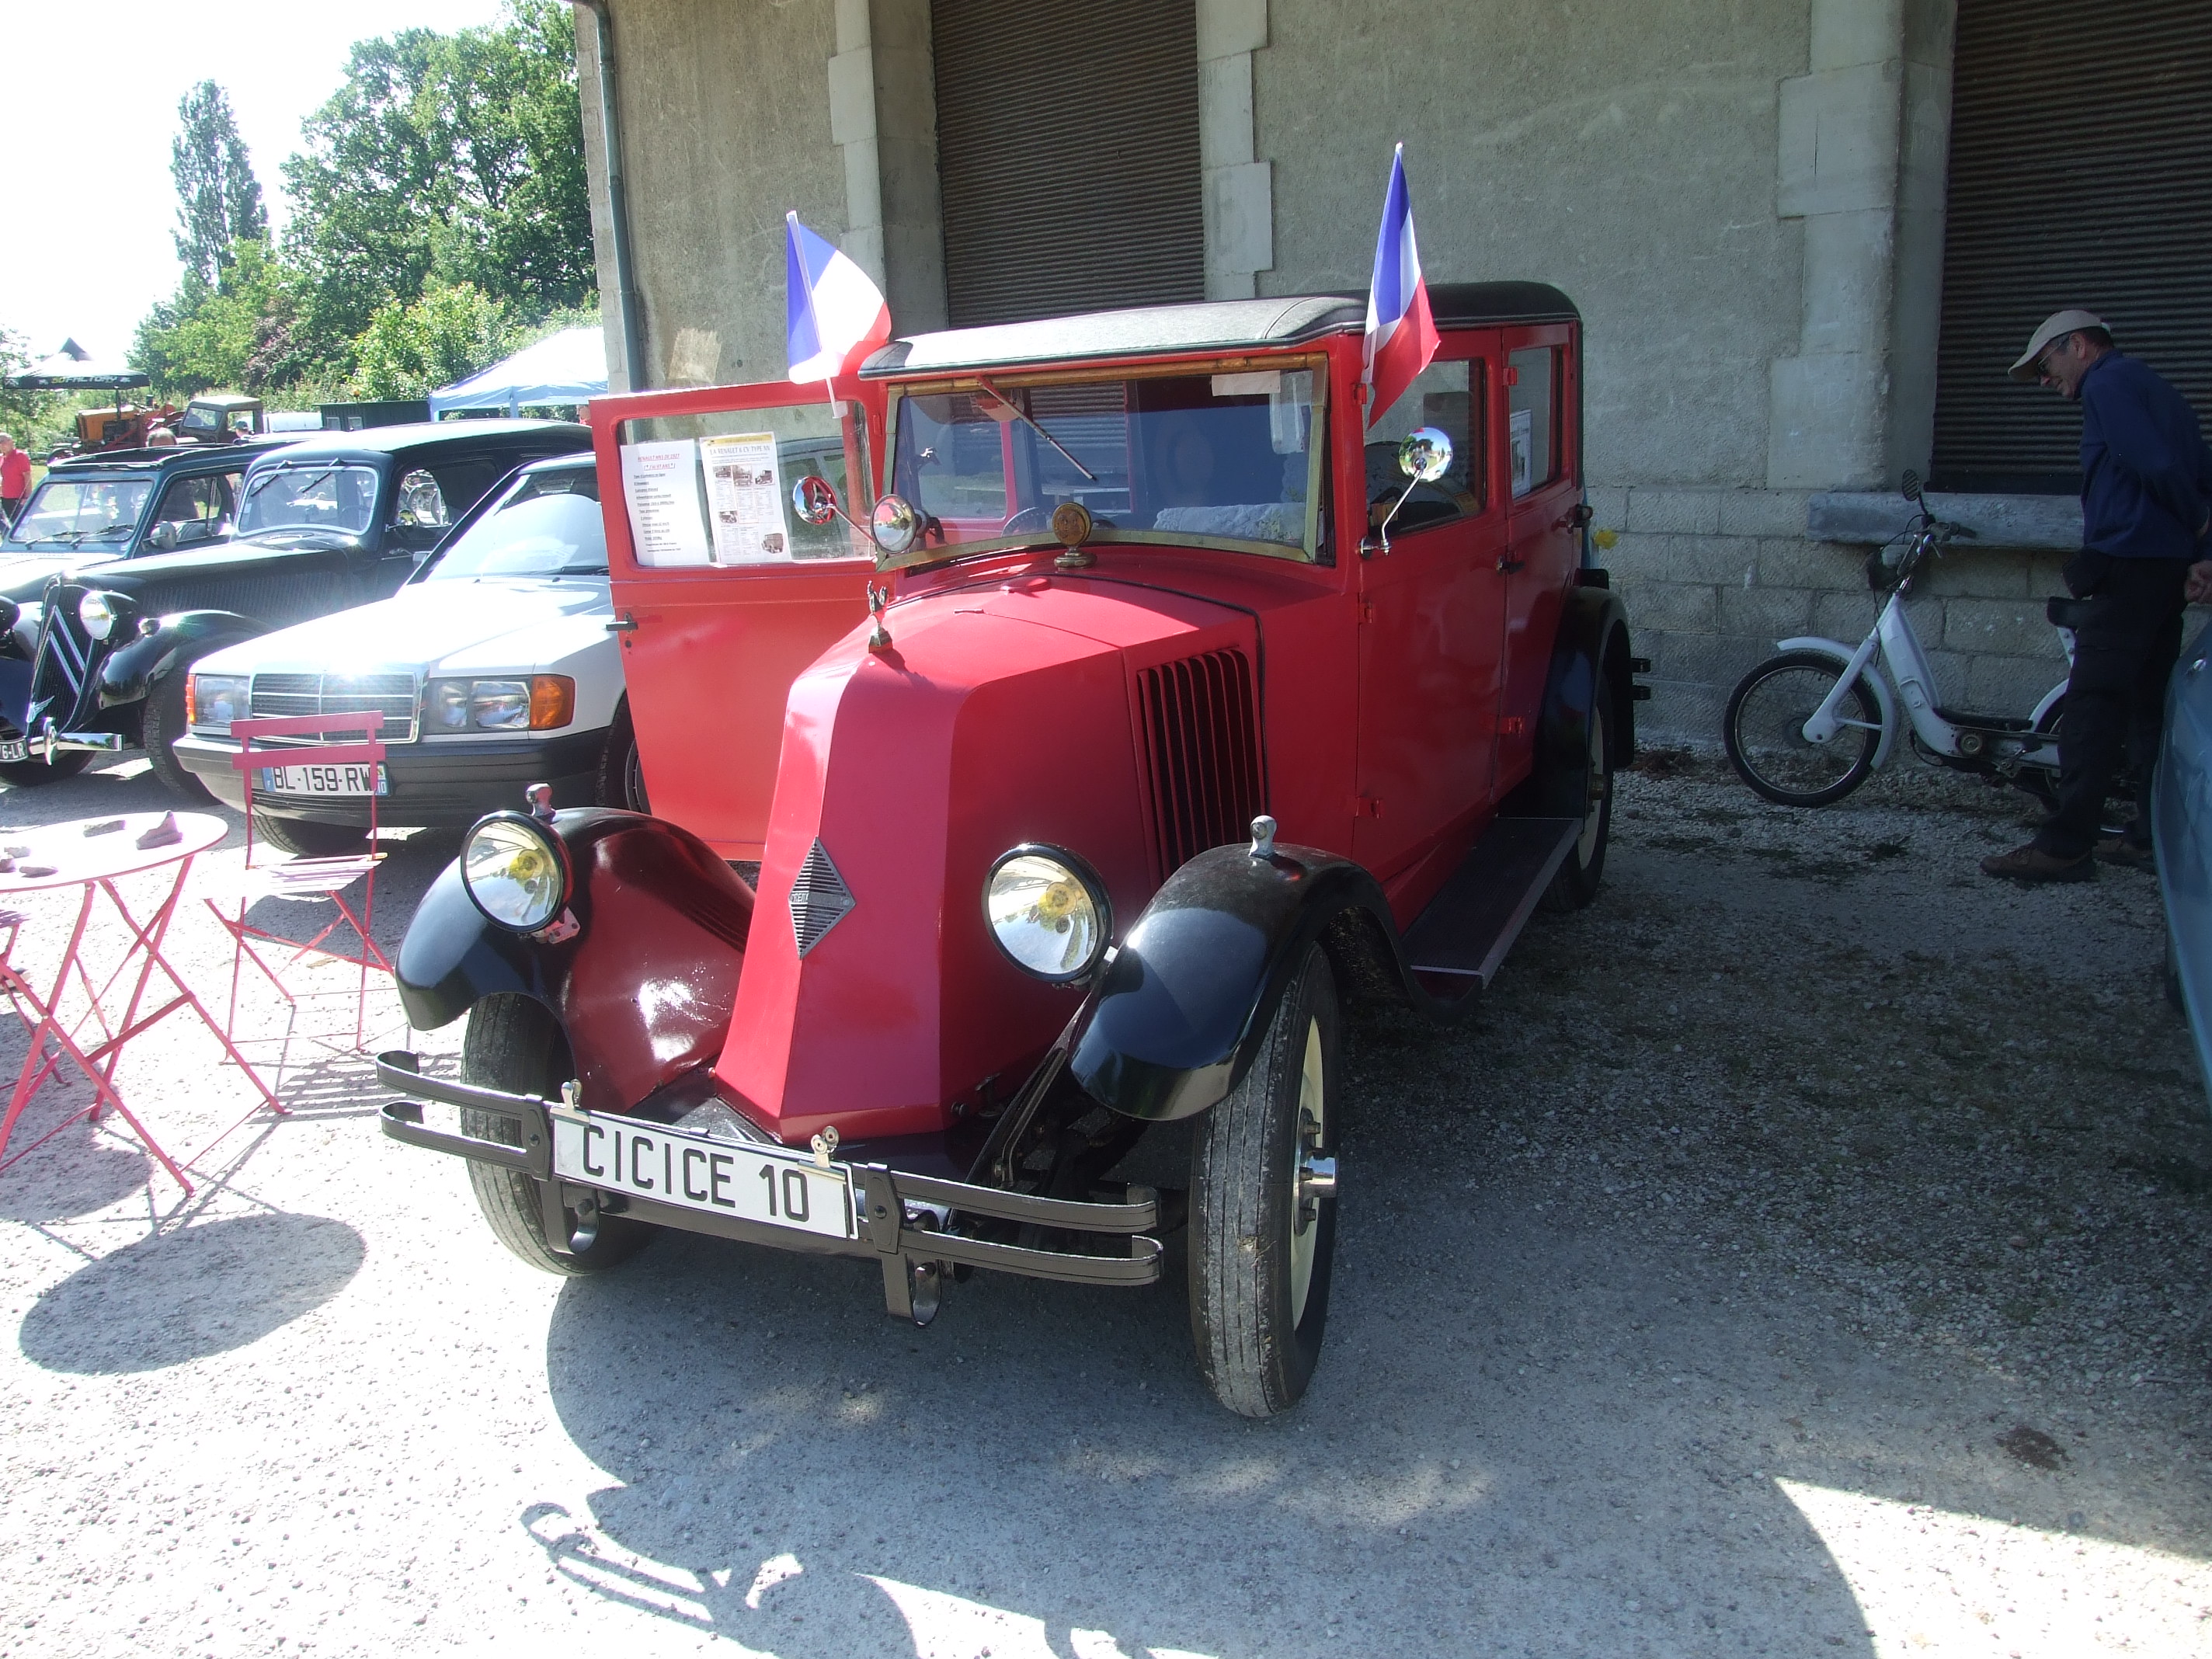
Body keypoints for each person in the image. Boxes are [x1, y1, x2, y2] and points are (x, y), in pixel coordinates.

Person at [1982, 310, 2212, 883]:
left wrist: (2199, 526)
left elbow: (2154, 463)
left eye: (2046, 364)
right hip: (2161, 571)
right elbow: (2201, 472)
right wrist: (2201, 550)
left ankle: (2064, 847)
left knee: (2091, 706)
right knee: (2148, 707)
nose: (2044, 379)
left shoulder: (2107, 383)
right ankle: (2149, 837)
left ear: (2080, 346)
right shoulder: (2161, 391)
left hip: (2130, 566)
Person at [0, 433, 30, 528]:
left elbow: (27, 476)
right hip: (5, 498)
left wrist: (27, 497)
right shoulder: (2, 458)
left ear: (11, 442)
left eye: (2, 442)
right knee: (11, 525)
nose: (1, 445)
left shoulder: (19, 456)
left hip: (18, 498)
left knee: (23, 525)